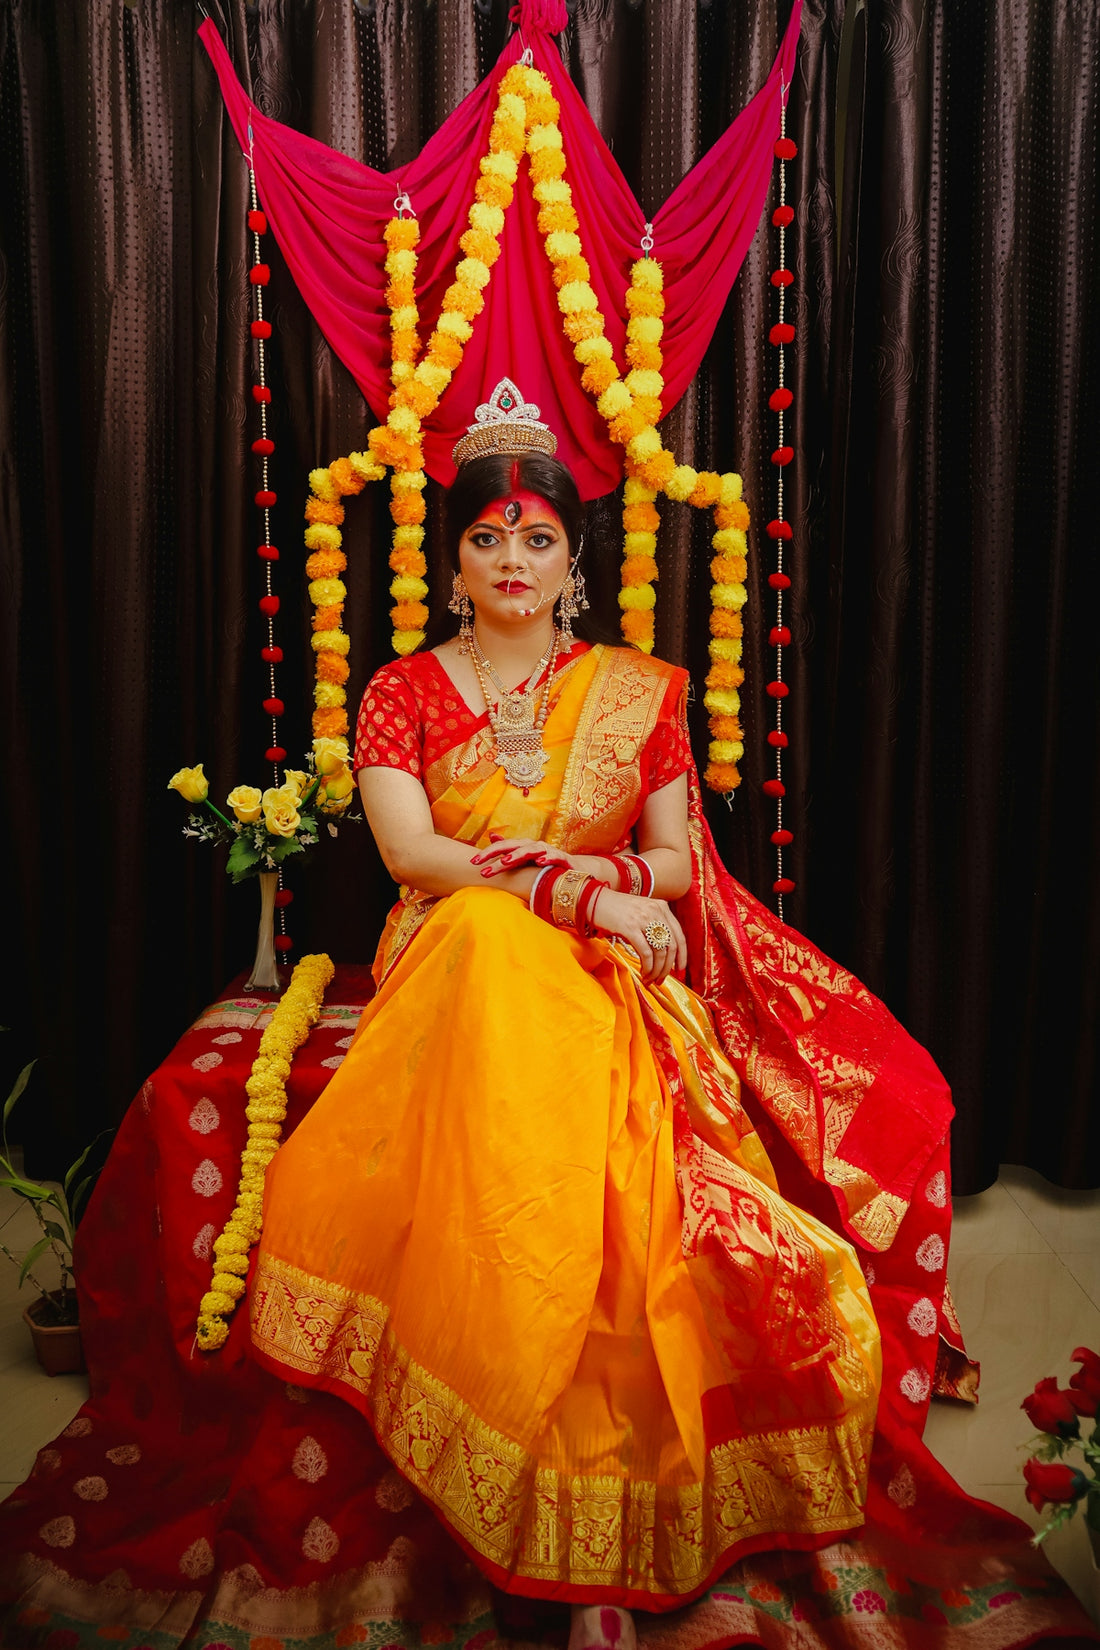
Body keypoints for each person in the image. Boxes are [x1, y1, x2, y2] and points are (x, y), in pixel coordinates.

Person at [248, 399, 899, 1646]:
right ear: (451, 564)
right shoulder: (402, 691)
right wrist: (553, 884)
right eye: (486, 537)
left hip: (603, 946)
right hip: (454, 942)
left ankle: (581, 1474)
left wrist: (606, 893)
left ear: (571, 564)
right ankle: (503, 1421)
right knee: (494, 934)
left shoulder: (638, 695)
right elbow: (412, 852)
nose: (510, 560)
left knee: (613, 1144)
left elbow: (666, 862)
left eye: (535, 539)